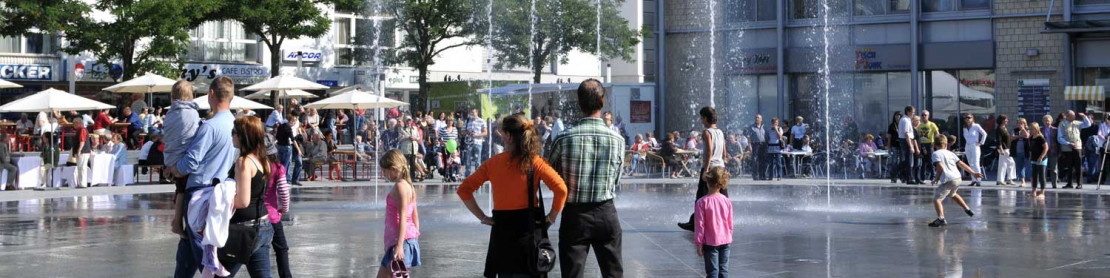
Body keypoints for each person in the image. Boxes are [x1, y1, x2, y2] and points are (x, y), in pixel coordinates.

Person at [457, 113, 568, 277]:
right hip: (529, 234)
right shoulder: (535, 162)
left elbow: (464, 190)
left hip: (503, 235)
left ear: (508, 136)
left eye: (503, 133)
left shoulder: (493, 163)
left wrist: (483, 217)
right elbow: (561, 189)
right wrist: (551, 217)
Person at [547, 79, 625, 278]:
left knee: (572, 273)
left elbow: (553, 179)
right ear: (602, 100)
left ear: (579, 102)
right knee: (613, 273)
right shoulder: (617, 140)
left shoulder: (563, 138)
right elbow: (616, 180)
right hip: (606, 211)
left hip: (575, 214)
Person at [170, 76, 241, 278]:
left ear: (211, 94)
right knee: (188, 251)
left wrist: (175, 169)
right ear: (232, 97)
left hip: (199, 193)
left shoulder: (209, 126)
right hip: (221, 191)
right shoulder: (235, 124)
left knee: (203, 256)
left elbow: (191, 162)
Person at [226, 116, 275, 277]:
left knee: (219, 274)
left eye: (234, 132)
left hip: (244, 229)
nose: (232, 136)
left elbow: (242, 201)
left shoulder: (244, 162)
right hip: (264, 224)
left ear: (243, 136)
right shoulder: (263, 160)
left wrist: (217, 200)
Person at [680, 106, 728, 231]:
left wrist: (705, 170)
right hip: (720, 167)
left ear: (706, 118)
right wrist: (724, 161)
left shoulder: (706, 132)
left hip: (710, 167)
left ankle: (695, 223)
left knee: (701, 196)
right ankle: (725, 220)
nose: (701, 120)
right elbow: (724, 151)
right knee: (723, 194)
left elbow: (709, 152)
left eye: (702, 118)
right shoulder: (721, 132)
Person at [378, 150, 422, 278]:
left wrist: (399, 246)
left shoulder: (400, 186)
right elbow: (415, 216)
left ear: (392, 169)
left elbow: (404, 217)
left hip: (401, 242)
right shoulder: (408, 185)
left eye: (384, 171)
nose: (384, 174)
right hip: (403, 240)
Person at [165, 80, 200, 237]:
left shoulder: (170, 113)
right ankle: (177, 221)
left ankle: (177, 220)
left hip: (170, 156)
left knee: (179, 189)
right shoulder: (192, 114)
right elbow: (194, 134)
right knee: (182, 189)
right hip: (182, 157)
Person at [927, 135, 982, 227]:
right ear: (945, 145)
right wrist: (974, 173)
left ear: (935, 145)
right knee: (952, 194)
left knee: (937, 199)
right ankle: (967, 209)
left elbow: (940, 167)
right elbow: (962, 164)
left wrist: (936, 179)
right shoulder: (951, 153)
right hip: (957, 178)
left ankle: (941, 219)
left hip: (949, 179)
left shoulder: (935, 154)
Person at [261, 133, 292, 278]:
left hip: (257, 215)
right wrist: (283, 209)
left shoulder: (254, 166)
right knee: (281, 249)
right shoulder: (278, 167)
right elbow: (284, 192)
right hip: (273, 216)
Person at [694, 167, 732, 278]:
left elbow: (700, 225)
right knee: (724, 270)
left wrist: (699, 243)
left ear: (708, 182)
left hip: (710, 242)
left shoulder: (702, 202)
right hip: (726, 241)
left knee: (712, 272)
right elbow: (730, 222)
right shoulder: (726, 201)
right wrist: (729, 234)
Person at [1057, 110, 1092, 189]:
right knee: (1069, 167)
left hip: (1077, 147)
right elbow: (1059, 138)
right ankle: (1069, 183)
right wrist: (1068, 143)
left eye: (1074, 115)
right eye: (1072, 116)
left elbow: (1088, 124)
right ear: (1067, 116)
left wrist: (1084, 116)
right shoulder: (1062, 124)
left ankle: (1079, 184)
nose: (1074, 117)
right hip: (1067, 148)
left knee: (1078, 166)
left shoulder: (1077, 123)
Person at [962, 113, 988, 187]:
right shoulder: (964, 127)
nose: (967, 119)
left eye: (969, 117)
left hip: (975, 145)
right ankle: (973, 179)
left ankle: (978, 180)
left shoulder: (976, 126)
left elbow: (984, 134)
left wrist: (981, 142)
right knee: (970, 163)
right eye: (966, 118)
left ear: (972, 118)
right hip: (967, 145)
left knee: (976, 163)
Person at [897, 106, 919, 184]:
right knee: (908, 161)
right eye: (913, 112)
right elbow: (906, 134)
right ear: (908, 112)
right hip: (906, 141)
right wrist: (911, 146)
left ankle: (904, 175)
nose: (913, 114)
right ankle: (908, 178)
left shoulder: (905, 119)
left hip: (906, 140)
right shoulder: (905, 120)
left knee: (907, 160)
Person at [916, 110, 939, 181]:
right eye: (922, 115)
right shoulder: (919, 125)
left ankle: (933, 176)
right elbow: (917, 135)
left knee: (931, 161)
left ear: (928, 116)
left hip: (929, 144)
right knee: (922, 162)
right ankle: (922, 177)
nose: (924, 116)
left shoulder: (932, 124)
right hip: (922, 144)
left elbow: (937, 134)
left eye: (925, 115)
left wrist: (934, 142)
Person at [464, 109, 488, 176]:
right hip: (469, 142)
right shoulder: (467, 121)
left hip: (478, 142)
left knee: (477, 159)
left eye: (473, 112)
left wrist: (476, 135)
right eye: (471, 112)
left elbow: (485, 132)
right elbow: (463, 131)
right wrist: (468, 132)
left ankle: (477, 174)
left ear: (477, 113)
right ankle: (467, 174)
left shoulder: (481, 121)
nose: (472, 114)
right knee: (468, 158)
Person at [995, 115, 1016, 186]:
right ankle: (1009, 179)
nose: (1007, 120)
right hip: (1004, 148)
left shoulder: (1004, 128)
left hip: (1006, 148)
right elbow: (999, 140)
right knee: (1011, 162)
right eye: (1006, 119)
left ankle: (1000, 180)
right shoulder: (999, 129)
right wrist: (1001, 149)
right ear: (1002, 120)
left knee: (1003, 164)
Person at [1029, 122, 1049, 197]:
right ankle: (1034, 191)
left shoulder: (1041, 137)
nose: (1031, 130)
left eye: (1032, 129)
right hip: (1034, 158)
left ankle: (1042, 192)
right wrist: (1030, 157)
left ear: (1036, 129)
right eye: (1030, 129)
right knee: (1034, 176)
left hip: (1042, 158)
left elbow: (1046, 148)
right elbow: (1031, 149)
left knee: (1041, 175)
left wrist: (1041, 157)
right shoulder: (1031, 138)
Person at [399, 116, 421, 180]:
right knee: (405, 164)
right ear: (405, 121)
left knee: (413, 164)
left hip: (413, 149)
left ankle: (412, 177)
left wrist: (415, 138)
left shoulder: (414, 128)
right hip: (406, 149)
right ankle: (404, 177)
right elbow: (399, 139)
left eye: (410, 121)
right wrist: (407, 137)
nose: (408, 122)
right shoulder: (402, 129)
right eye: (407, 121)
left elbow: (418, 137)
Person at [748, 114, 768, 180]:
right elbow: (749, 137)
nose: (757, 119)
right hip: (755, 144)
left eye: (758, 118)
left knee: (763, 160)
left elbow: (767, 136)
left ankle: (762, 175)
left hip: (763, 145)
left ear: (761, 119)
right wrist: (749, 145)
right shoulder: (751, 127)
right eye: (756, 117)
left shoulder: (764, 127)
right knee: (755, 160)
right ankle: (755, 175)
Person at [1042, 115, 1059, 188]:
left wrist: (1059, 151)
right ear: (1043, 122)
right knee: (1043, 168)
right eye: (1045, 120)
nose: (1047, 122)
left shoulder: (1056, 130)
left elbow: (1058, 141)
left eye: (1048, 120)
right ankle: (1043, 184)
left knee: (1054, 168)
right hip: (1043, 151)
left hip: (1053, 150)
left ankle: (1054, 184)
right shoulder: (1040, 130)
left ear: (1051, 121)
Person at [1013, 118, 1031, 187]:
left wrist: (1023, 129)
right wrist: (1020, 136)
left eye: (1021, 123)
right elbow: (1012, 137)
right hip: (1018, 151)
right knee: (1020, 166)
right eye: (1019, 123)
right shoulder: (1014, 130)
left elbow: (1027, 136)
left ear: (1024, 123)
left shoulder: (1028, 130)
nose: (1020, 124)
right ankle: (1022, 181)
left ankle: (1032, 180)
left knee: (1028, 166)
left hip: (1026, 150)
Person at [887, 111, 903, 183]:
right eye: (896, 115)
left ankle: (902, 176)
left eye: (899, 115)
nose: (898, 117)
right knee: (894, 161)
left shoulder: (903, 124)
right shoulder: (892, 126)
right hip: (894, 145)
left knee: (903, 161)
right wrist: (889, 146)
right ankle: (893, 177)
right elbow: (889, 136)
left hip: (902, 145)